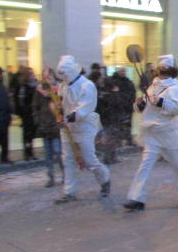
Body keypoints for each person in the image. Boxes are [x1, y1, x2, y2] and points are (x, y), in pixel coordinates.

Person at [124, 55, 178, 211]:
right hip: (153, 134)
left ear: (171, 70)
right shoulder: (152, 86)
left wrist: (162, 102)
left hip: (169, 134)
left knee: (177, 164)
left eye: (165, 69)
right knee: (145, 165)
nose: (162, 72)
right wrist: (139, 104)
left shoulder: (175, 88)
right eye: (161, 69)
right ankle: (137, 198)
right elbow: (146, 107)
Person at [55, 55, 110, 203]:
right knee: (68, 160)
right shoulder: (63, 86)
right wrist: (59, 114)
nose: (63, 77)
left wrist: (69, 117)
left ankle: (105, 180)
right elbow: (60, 103)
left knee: (89, 159)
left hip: (85, 127)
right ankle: (69, 192)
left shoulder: (87, 86)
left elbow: (84, 108)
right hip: (67, 128)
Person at [32, 74, 64, 187]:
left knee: (58, 153)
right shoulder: (39, 92)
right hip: (44, 127)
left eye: (50, 77)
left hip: (55, 127)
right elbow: (35, 108)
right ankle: (51, 178)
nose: (48, 80)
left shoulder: (57, 91)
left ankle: (65, 174)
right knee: (48, 154)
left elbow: (62, 107)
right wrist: (38, 120)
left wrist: (60, 121)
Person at [97, 77, 124, 165]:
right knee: (111, 139)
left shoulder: (102, 95)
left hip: (106, 120)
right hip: (112, 119)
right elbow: (119, 105)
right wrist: (116, 93)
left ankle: (110, 157)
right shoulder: (112, 95)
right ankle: (109, 158)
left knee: (109, 139)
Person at [14, 67, 39, 161]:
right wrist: (22, 113)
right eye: (30, 73)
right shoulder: (23, 87)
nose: (33, 75)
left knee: (32, 135)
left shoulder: (35, 85)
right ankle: (27, 153)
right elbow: (20, 102)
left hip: (34, 113)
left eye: (33, 73)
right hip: (27, 114)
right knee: (27, 135)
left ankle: (31, 152)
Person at [112, 67, 136, 146]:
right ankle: (118, 141)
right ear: (118, 72)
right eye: (121, 71)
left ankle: (128, 140)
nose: (123, 72)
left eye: (124, 71)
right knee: (118, 125)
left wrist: (132, 103)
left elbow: (133, 93)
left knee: (128, 124)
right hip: (118, 108)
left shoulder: (128, 82)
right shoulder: (113, 82)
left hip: (128, 107)